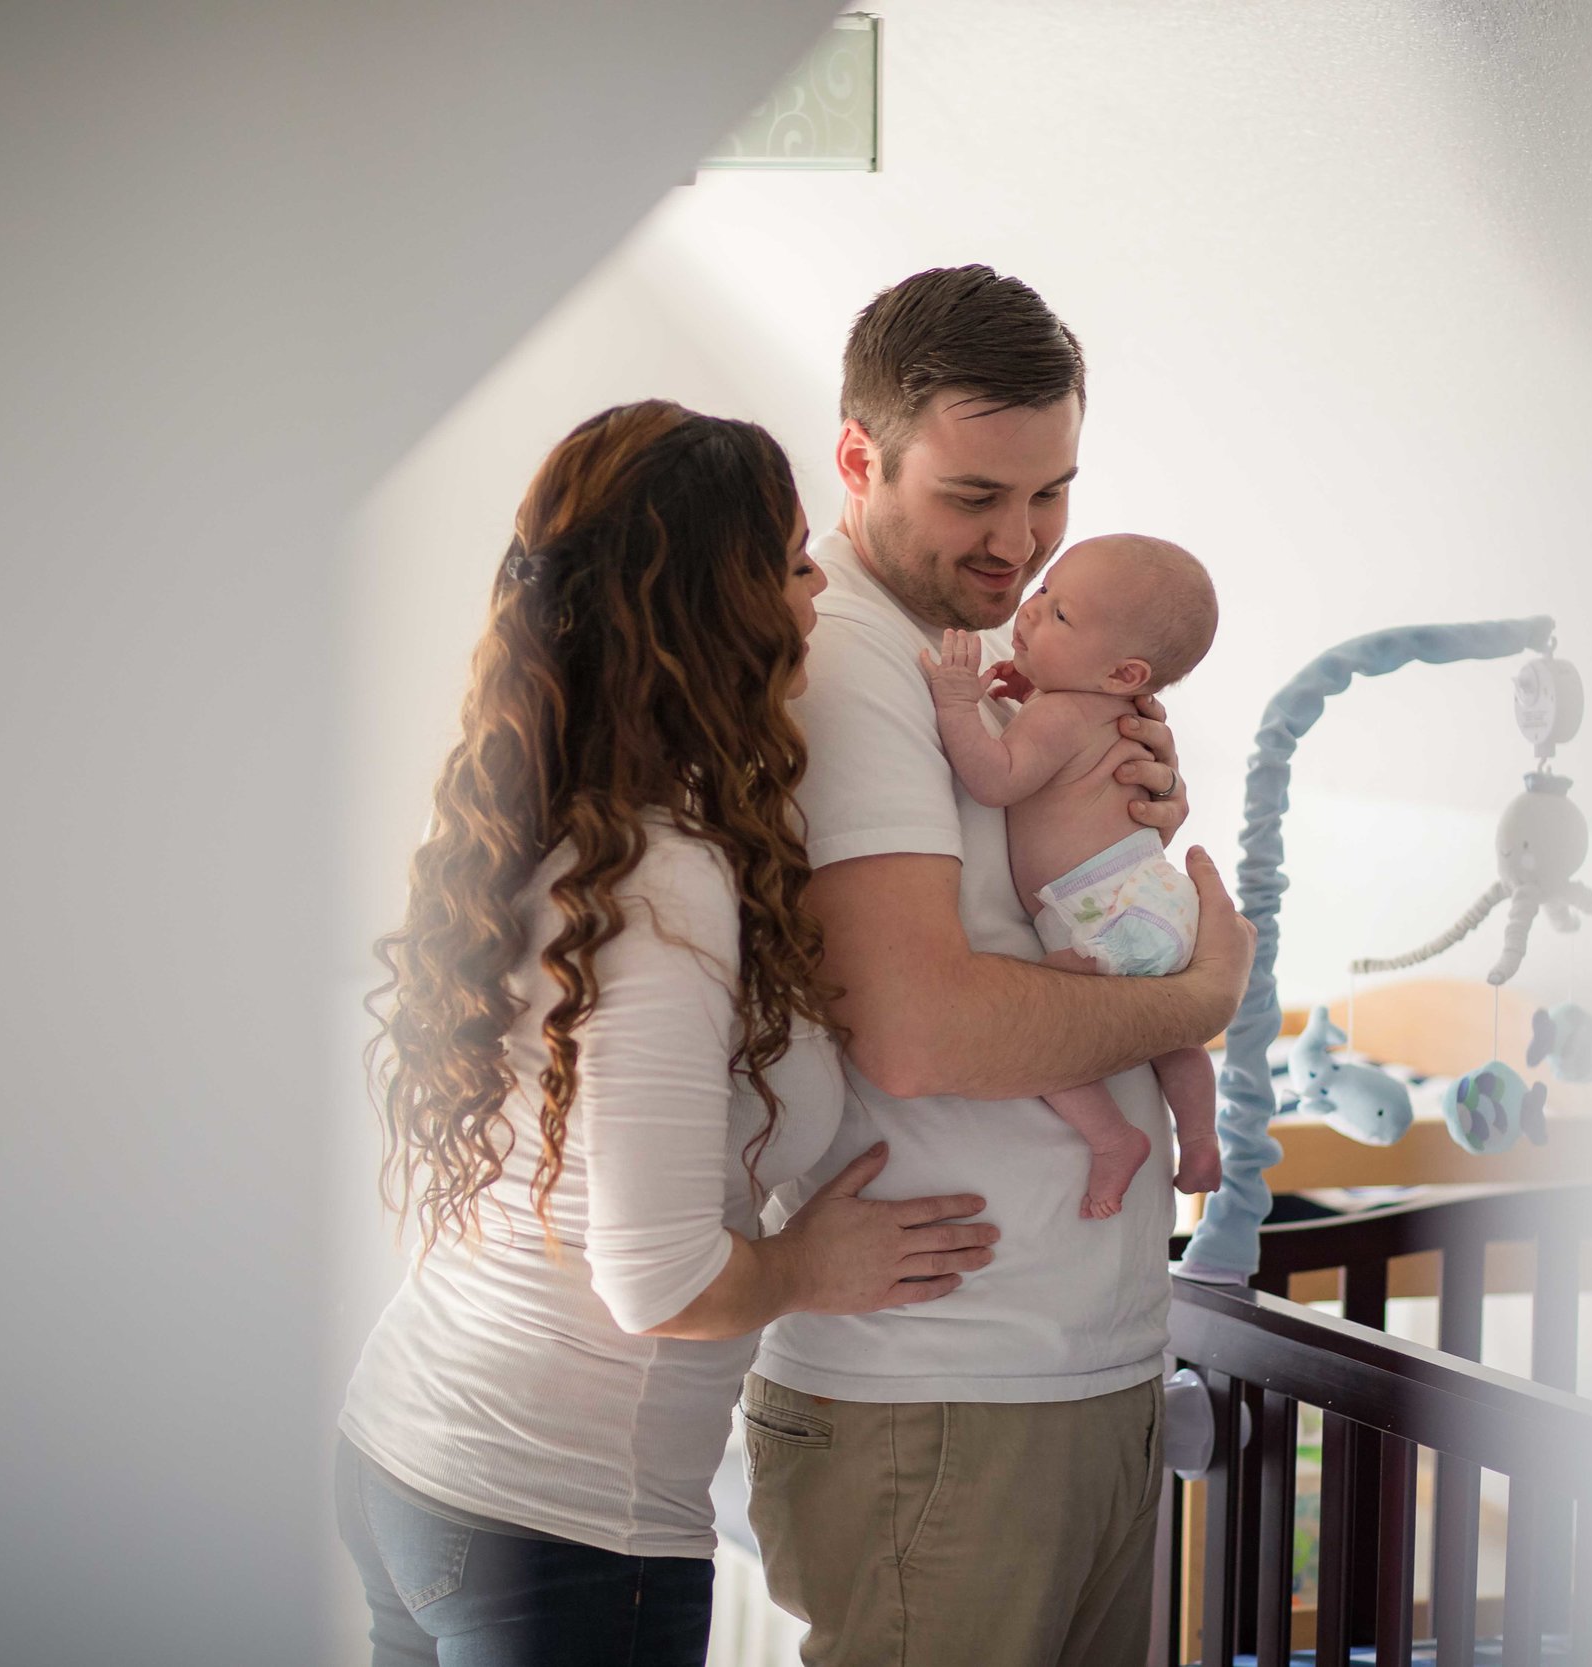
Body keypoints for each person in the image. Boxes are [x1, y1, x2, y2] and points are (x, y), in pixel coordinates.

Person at [336, 400, 1003, 1667]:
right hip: (550, 1527)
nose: (819, 587)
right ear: (719, 604)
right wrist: (811, 1264)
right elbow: (658, 1282)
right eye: (794, 558)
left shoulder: (551, 814)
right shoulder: (660, 885)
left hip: (415, 1453)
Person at [743, 269, 1256, 1666]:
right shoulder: (853, 656)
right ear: (861, 457)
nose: (1019, 543)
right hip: (950, 1395)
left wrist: (1119, 813)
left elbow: (1020, 903)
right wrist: (1195, 997)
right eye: (976, 497)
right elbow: (915, 1028)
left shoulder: (972, 644)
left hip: (1063, 1361)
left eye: (1051, 494)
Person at [920, 533, 1225, 1219]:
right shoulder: (1104, 710)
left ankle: (1112, 1138)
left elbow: (995, 778)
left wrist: (958, 704)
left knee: (1042, 1033)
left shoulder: (1059, 714)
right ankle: (1201, 1138)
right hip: (1154, 896)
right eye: (1045, 590)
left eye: (1060, 616)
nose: (1030, 612)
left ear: (1123, 673)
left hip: (1103, 911)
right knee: (1171, 1032)